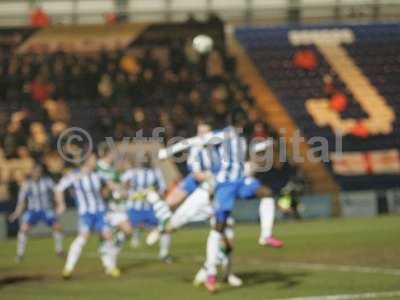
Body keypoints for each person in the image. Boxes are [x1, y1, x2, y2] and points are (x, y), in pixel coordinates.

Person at [55, 153, 120, 279]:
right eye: (94, 159)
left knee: (108, 236)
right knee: (83, 238)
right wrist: (61, 204)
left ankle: (110, 267)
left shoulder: (98, 174)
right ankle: (68, 268)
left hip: (100, 211)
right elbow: (58, 188)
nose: (96, 161)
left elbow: (111, 184)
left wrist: (119, 190)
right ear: (87, 161)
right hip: (86, 213)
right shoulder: (74, 175)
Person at [9, 163, 64, 262]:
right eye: (35, 171)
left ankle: (59, 251)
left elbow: (57, 191)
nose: (37, 173)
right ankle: (20, 254)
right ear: (31, 172)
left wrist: (60, 204)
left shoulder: (47, 181)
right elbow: (21, 201)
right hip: (32, 211)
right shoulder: (26, 184)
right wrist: (16, 213)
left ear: (41, 172)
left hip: (46, 209)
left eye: (38, 171)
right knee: (23, 229)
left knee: (57, 227)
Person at [121, 152, 169, 260]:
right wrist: (130, 193)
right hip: (133, 207)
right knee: (124, 230)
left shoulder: (155, 172)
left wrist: (153, 193)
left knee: (164, 227)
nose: (145, 161)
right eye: (143, 159)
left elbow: (162, 189)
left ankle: (164, 254)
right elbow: (122, 186)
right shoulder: (132, 172)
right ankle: (113, 252)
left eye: (147, 158)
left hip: (149, 207)